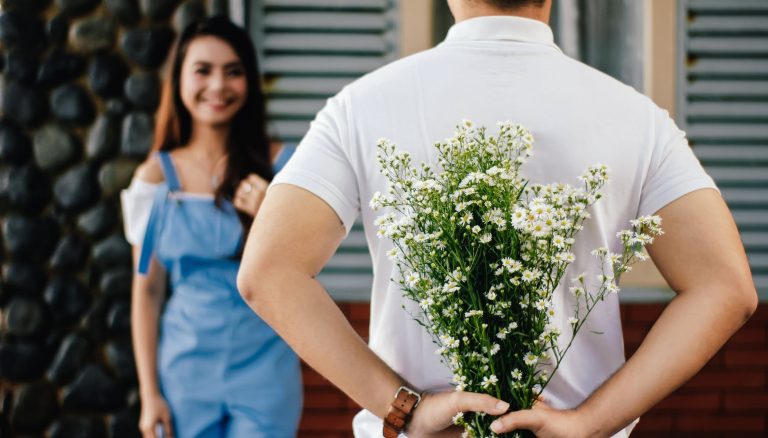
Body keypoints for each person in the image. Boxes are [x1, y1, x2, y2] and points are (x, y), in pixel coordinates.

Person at [236, 0, 757, 437]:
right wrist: (590, 423)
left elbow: (268, 273)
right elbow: (726, 288)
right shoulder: (637, 117)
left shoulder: (362, 106)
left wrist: (405, 409)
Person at [121, 16, 301, 438]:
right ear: (179, 79)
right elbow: (146, 291)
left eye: (233, 71)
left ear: (250, 82)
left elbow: (306, 272)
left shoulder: (285, 168)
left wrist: (270, 216)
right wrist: (150, 395)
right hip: (184, 371)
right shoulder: (154, 179)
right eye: (203, 70)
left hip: (267, 368)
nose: (218, 86)